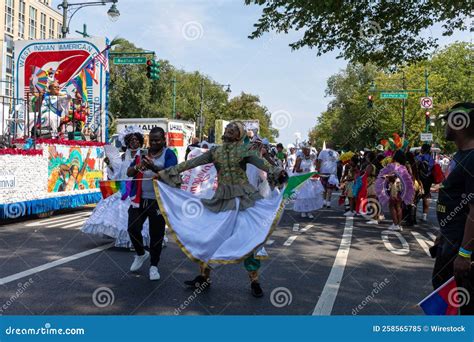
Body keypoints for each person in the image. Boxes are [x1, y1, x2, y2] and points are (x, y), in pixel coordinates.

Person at [155, 121, 287, 297]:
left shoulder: (245, 150)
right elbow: (192, 163)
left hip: (244, 201)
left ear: (239, 135)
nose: (228, 131)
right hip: (221, 200)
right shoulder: (216, 151)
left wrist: (278, 172)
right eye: (227, 129)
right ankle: (204, 277)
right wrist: (166, 173)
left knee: (249, 239)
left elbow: (263, 164)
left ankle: (254, 281)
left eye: (233, 130)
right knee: (210, 236)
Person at [432, 103, 474, 314]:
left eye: (448, 119)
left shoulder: (473, 158)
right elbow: (455, 200)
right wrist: (443, 231)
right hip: (449, 243)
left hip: (462, 250)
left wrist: (465, 254)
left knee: (465, 308)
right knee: (443, 301)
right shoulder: (458, 157)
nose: (445, 124)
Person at [81, 126, 151, 248]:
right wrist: (110, 165)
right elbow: (117, 174)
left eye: (136, 139)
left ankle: (136, 242)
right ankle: (125, 240)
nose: (134, 142)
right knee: (121, 215)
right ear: (127, 142)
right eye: (131, 140)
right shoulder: (123, 156)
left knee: (136, 217)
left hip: (138, 190)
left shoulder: (145, 155)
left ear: (140, 140)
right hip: (124, 188)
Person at [126, 127, 178, 281]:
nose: (154, 142)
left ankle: (154, 266)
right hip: (139, 199)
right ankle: (141, 254)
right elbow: (129, 173)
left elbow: (171, 172)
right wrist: (138, 166)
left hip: (158, 200)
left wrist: (153, 167)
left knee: (156, 235)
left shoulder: (169, 154)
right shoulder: (143, 153)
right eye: (152, 139)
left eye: (158, 140)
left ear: (164, 140)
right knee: (132, 228)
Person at [293, 143, 324, 218]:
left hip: (310, 179)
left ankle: (310, 212)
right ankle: (303, 211)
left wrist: (315, 171)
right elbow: (297, 169)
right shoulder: (299, 158)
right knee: (303, 196)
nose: (307, 151)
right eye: (306, 149)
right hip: (303, 179)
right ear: (303, 150)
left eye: (308, 149)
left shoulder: (312, 157)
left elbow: (315, 166)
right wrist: (304, 169)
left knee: (311, 195)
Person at [317, 143, 340, 208]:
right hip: (332, 173)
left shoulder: (323, 152)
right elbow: (338, 163)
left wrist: (317, 169)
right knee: (330, 188)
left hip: (323, 172)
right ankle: (328, 202)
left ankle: (324, 201)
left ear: (326, 146)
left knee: (324, 188)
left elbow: (319, 161)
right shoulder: (336, 153)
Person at [416, 143, 435, 222]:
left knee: (415, 197)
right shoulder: (432, 159)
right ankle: (424, 216)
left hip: (419, 179)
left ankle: (412, 215)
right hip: (428, 180)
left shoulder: (418, 157)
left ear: (422, 149)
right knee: (426, 197)